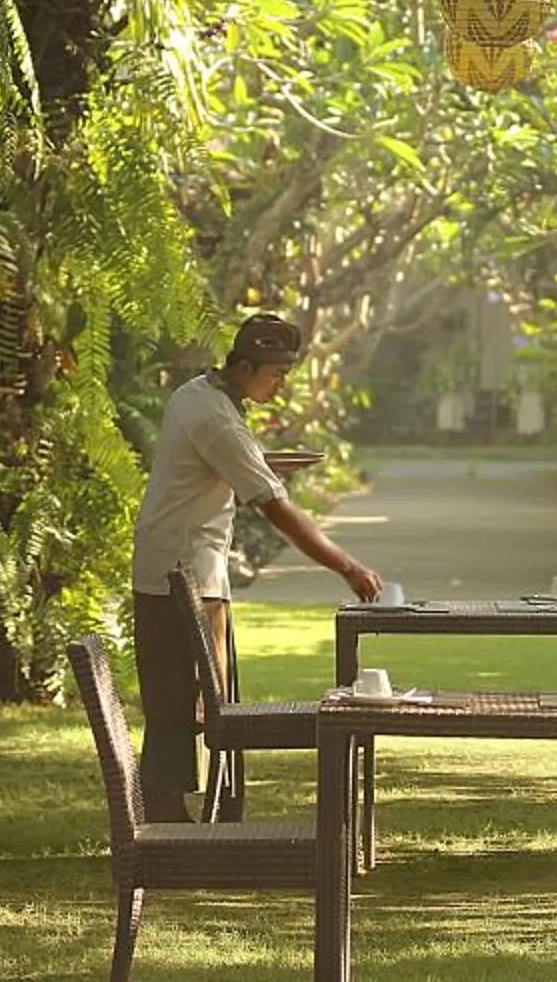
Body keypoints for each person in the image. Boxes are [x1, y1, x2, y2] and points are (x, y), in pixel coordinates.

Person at [128, 313, 381, 819]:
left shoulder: (199, 393)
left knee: (193, 699)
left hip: (177, 566)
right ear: (244, 366)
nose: (280, 383)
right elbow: (275, 508)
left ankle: (205, 812)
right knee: (188, 704)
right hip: (183, 574)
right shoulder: (217, 419)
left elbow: (225, 462)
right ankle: (169, 818)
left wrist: (261, 462)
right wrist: (348, 567)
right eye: (275, 373)